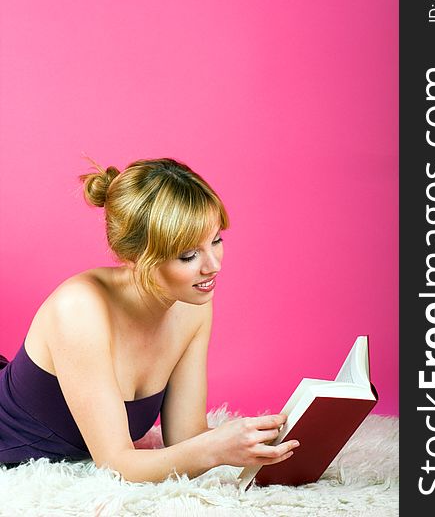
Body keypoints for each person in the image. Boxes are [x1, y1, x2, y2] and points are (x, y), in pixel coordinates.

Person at [0, 157, 299, 482]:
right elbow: (117, 466)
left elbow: (186, 438)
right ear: (138, 257)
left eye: (216, 240)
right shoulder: (79, 309)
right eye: (188, 255)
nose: (213, 265)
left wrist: (254, 440)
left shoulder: (192, 305)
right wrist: (214, 449)